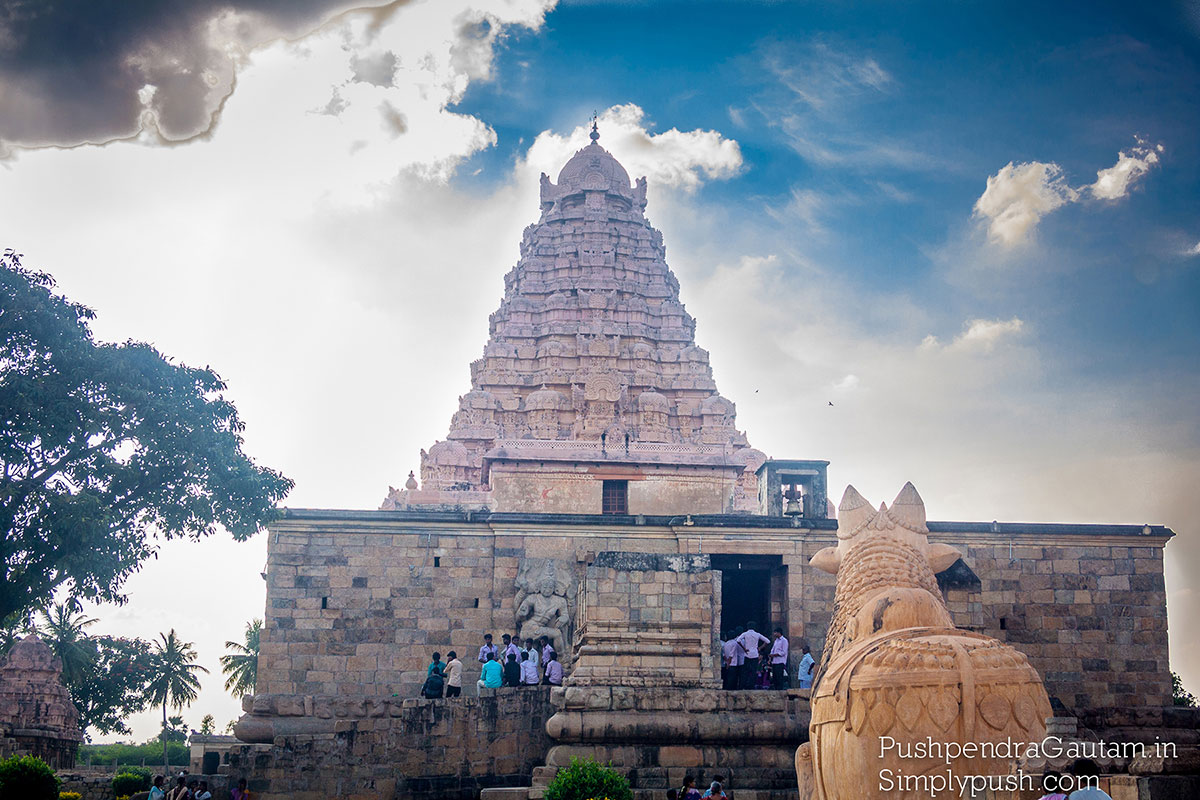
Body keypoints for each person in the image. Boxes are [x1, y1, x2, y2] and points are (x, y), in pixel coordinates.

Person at [736, 622, 770, 689]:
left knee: (745, 671)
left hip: (747, 654)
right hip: (755, 654)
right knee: (754, 671)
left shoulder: (745, 634)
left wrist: (744, 648)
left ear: (747, 627)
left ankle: (743, 685)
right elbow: (768, 641)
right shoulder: (757, 634)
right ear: (754, 627)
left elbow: (738, 640)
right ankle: (751, 686)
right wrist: (760, 647)